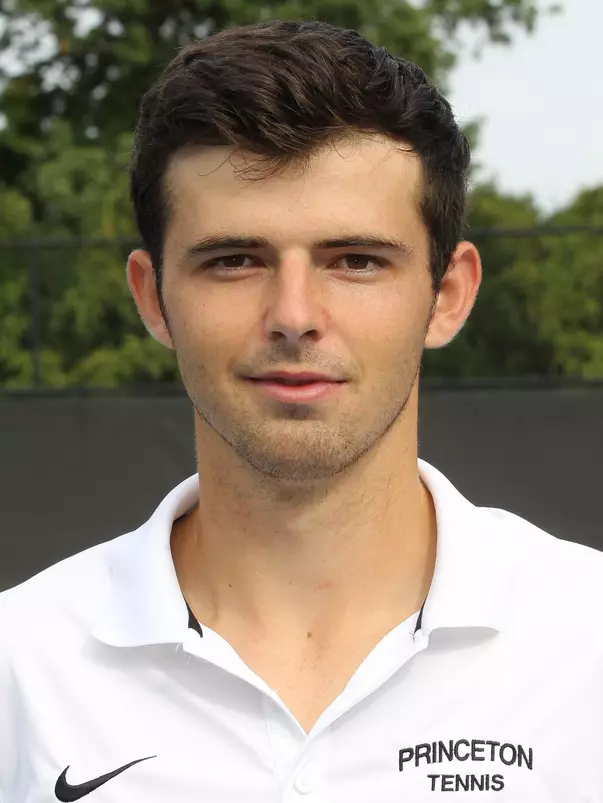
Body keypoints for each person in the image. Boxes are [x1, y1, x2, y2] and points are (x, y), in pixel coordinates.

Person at [1, 19, 602, 803]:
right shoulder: (21, 665)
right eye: (233, 260)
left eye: (354, 260)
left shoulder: (585, 640)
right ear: (152, 298)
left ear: (446, 294)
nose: (294, 313)